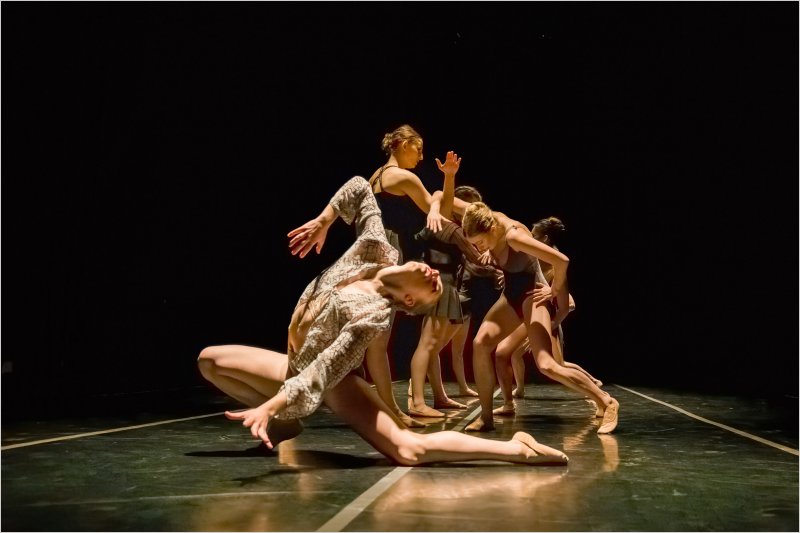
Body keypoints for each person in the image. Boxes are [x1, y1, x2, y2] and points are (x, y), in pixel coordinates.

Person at [198, 176, 568, 466]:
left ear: (408, 300)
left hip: (331, 382)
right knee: (210, 360)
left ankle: (518, 449)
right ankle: (289, 420)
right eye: (434, 279)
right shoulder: (378, 249)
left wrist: (272, 404)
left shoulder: (370, 316)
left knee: (409, 451)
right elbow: (360, 187)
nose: (433, 275)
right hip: (296, 366)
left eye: (430, 288)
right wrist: (325, 220)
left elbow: (325, 368)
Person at [290, 124, 457, 428]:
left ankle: (387, 407)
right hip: (389, 254)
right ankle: (390, 410)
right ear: (401, 144)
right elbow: (443, 212)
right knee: (378, 338)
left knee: (374, 339)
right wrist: (447, 178)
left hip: (367, 254)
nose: (420, 156)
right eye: (417, 148)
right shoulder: (403, 177)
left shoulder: (375, 178)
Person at [460, 202, 619, 434]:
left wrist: (553, 290)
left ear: (491, 228)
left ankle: (607, 401)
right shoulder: (486, 217)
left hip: (532, 296)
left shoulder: (514, 237)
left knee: (547, 365)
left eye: (480, 242)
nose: (479, 247)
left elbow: (562, 261)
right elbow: (449, 201)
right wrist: (448, 180)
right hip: (511, 294)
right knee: (480, 343)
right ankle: (486, 418)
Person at [406, 185, 499, 416]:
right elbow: (475, 256)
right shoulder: (452, 228)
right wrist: (498, 263)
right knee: (427, 346)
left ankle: (439, 397)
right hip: (441, 285)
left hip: (441, 284)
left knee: (432, 348)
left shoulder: (440, 222)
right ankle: (417, 401)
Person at [497, 217, 602, 402]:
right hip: (533, 315)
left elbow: (569, 304)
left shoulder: (553, 264)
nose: (528, 236)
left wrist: (550, 320)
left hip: (549, 319)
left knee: (555, 365)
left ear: (544, 239)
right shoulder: (533, 260)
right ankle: (519, 391)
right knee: (512, 353)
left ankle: (596, 389)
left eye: (533, 234)